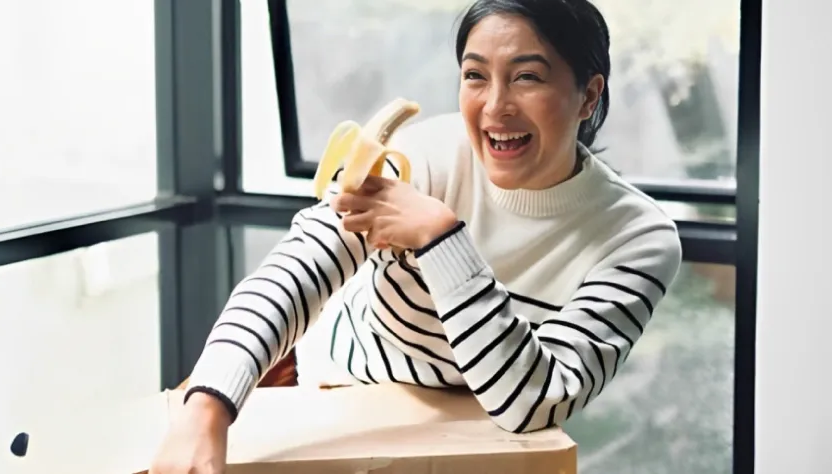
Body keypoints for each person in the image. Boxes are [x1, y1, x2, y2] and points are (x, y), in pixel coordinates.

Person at [150, 0, 682, 472]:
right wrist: (207, 408)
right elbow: (296, 269)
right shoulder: (419, 155)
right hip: (325, 388)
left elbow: (532, 402)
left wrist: (440, 238)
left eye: (527, 77)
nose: (496, 106)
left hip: (479, 434)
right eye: (475, 76)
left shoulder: (637, 239)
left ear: (588, 96)